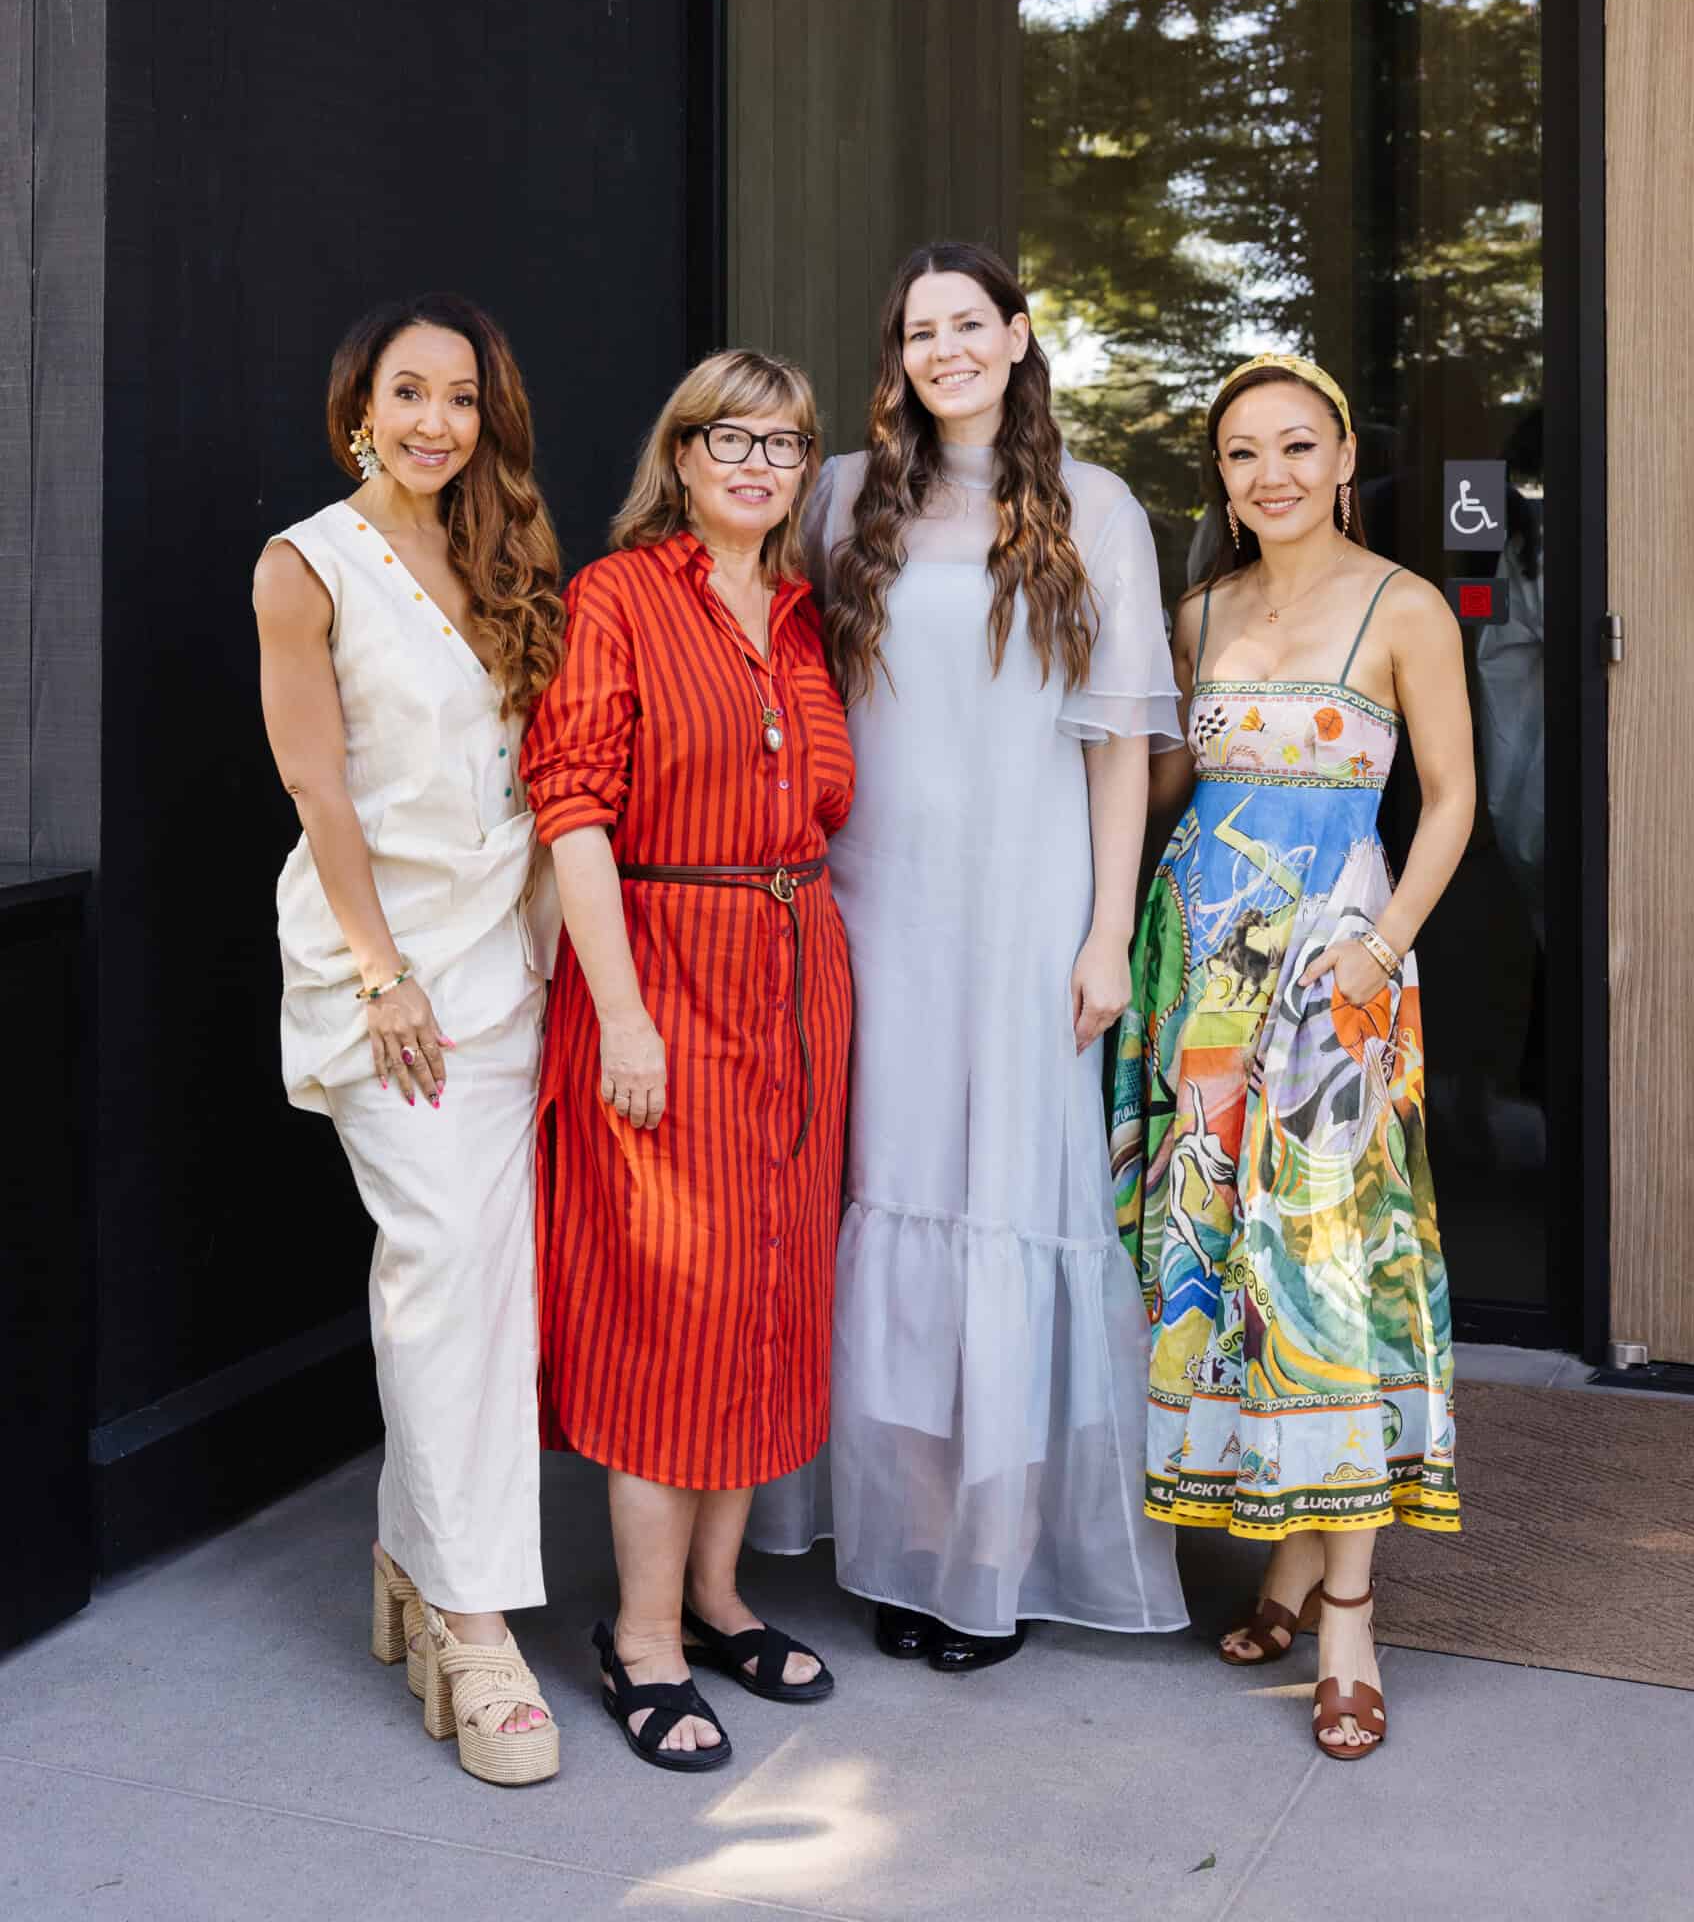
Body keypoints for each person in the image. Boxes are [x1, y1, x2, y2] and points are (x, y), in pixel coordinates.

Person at [750, 241, 1187, 1666]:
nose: (943, 350)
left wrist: (1107, 930)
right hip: (873, 901)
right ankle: (906, 1536)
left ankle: (993, 1554)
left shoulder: (1095, 507)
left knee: (1011, 1188)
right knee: (894, 1189)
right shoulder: (836, 497)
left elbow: (1118, 748)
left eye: (966, 324)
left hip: (1028, 905)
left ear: (1016, 335)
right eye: (917, 331)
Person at [1111, 353, 1473, 1763]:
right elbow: (1158, 786)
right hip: (1202, 969)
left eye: (1298, 446)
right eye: (1244, 453)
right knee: (1224, 1256)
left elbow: (1451, 801)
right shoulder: (1194, 612)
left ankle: (1349, 1620)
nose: (1271, 474)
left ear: (1344, 456)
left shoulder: (1406, 605)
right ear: (1220, 475)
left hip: (1337, 971)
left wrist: (1383, 946)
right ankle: (1280, 1559)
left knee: (1324, 1267)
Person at [520, 350, 855, 1773]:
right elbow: (573, 811)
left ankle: (718, 1601)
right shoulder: (617, 598)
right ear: (680, 450)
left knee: (772, 1291)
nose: (757, 463)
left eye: (784, 443)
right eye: (730, 436)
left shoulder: (804, 614)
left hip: (798, 982)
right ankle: (641, 1638)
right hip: (662, 975)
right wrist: (625, 1014)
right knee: (673, 1311)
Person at [254, 293, 566, 1787]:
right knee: (442, 1269)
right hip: (389, 980)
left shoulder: (503, 555)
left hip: (509, 968)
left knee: (485, 1286)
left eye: (462, 397)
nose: (437, 421)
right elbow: (318, 788)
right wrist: (382, 976)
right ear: (358, 409)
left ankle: (414, 1547)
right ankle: (472, 1620)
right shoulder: (305, 563)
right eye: (409, 393)